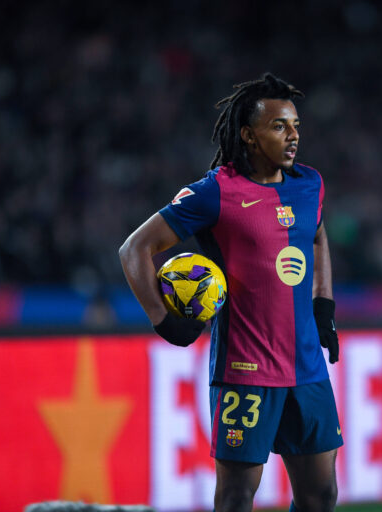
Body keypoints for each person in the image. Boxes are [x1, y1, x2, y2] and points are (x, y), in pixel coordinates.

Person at [119, 73, 342, 512]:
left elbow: (316, 236)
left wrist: (323, 307)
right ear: (249, 135)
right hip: (246, 370)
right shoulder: (216, 192)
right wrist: (164, 321)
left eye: (295, 125)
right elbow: (134, 249)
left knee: (321, 496)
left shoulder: (308, 184)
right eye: (279, 126)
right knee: (237, 498)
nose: (293, 135)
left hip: (307, 368)